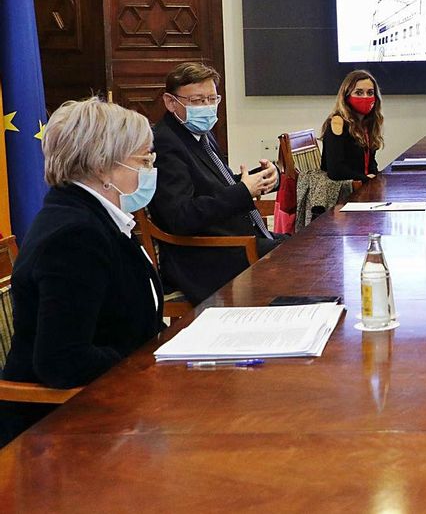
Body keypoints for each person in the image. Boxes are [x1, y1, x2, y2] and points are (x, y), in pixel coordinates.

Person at [1, 99, 164, 446]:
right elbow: (61, 361)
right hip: (59, 429)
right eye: (143, 159)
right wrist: (142, 365)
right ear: (103, 167)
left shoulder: (93, 215)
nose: (151, 169)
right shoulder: (75, 236)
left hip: (112, 400)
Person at [149, 62, 280, 304]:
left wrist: (265, 178)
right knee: (297, 258)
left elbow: (218, 184)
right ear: (170, 102)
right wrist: (242, 191)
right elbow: (180, 217)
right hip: (205, 256)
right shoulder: (166, 143)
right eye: (197, 101)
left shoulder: (200, 133)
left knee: (307, 247)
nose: (207, 107)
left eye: (212, 99)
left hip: (236, 240)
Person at [321, 69, 383, 181]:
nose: (365, 97)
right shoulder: (337, 122)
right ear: (346, 96)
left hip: (361, 185)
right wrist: (365, 179)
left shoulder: (368, 123)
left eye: (370, 93)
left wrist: (376, 177)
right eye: (359, 93)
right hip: (343, 190)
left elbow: (371, 163)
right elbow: (335, 171)